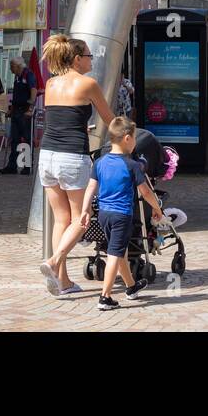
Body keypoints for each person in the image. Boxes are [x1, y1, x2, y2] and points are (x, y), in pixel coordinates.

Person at [57, 117, 162, 310]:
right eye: (135, 139)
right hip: (121, 215)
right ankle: (105, 297)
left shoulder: (100, 162)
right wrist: (157, 208)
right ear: (128, 139)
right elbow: (146, 191)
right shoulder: (132, 165)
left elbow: (90, 187)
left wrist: (86, 210)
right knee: (114, 254)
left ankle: (131, 287)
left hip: (104, 214)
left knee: (118, 250)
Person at [37, 34, 114, 295]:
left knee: (61, 219)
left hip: (47, 154)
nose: (92, 60)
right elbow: (110, 119)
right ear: (78, 59)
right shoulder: (88, 84)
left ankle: (62, 281)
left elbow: (61, 118)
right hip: (72, 156)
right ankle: (53, 261)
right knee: (81, 219)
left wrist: (82, 125)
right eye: (90, 56)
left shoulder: (51, 84)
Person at [0, 57, 37, 175]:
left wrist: (30, 109)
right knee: (14, 139)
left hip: (25, 112)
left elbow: (33, 91)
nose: (10, 69)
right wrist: (12, 110)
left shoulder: (28, 75)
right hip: (16, 112)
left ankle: (26, 167)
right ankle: (12, 166)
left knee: (25, 140)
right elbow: (16, 96)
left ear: (18, 66)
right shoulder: (17, 77)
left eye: (11, 66)